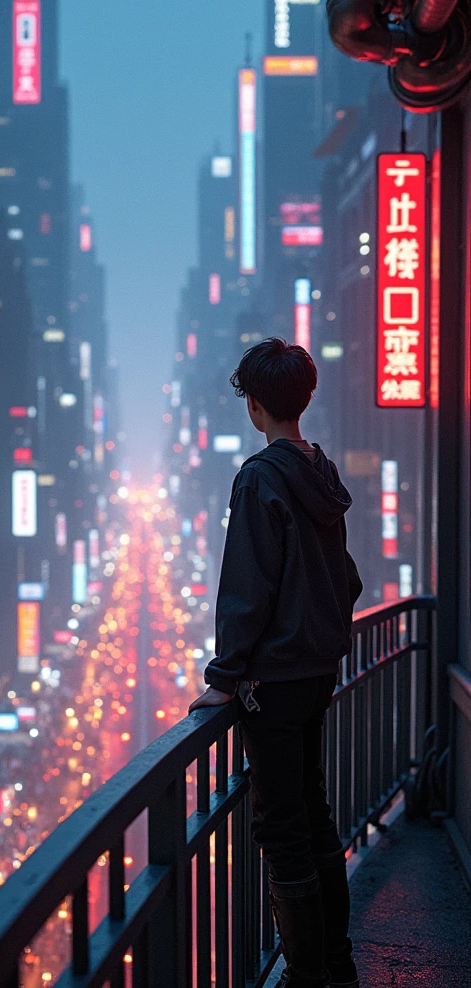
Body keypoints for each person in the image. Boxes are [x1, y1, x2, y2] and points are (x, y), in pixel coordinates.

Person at [189, 338, 363, 988]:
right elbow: (346, 578)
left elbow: (247, 586)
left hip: (274, 682)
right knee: (313, 814)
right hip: (317, 670)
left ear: (255, 406)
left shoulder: (261, 477)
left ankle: (307, 973)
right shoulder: (321, 469)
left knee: (282, 827)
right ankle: (335, 963)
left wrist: (225, 676)